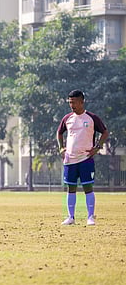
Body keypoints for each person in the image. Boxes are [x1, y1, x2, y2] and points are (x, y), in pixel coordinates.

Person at [57, 90, 108, 226]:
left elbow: (105, 132)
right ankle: (70, 217)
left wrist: (97, 147)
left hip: (86, 159)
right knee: (71, 188)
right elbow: (59, 133)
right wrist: (61, 148)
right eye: (70, 102)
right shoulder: (67, 118)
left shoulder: (91, 118)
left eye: (74, 102)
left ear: (81, 101)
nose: (71, 105)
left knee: (88, 187)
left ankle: (90, 217)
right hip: (70, 160)